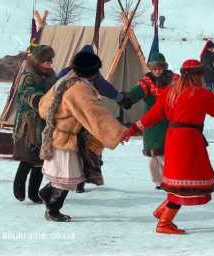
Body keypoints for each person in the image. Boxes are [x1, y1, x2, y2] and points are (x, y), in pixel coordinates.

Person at [122, 59, 214, 235]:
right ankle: (164, 223)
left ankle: (162, 211)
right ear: (198, 75)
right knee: (184, 184)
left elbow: (152, 115)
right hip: (189, 141)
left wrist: (132, 129)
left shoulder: (170, 92)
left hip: (173, 139)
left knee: (178, 180)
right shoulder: (201, 94)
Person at [37, 51, 127, 222]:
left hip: (58, 136)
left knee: (64, 174)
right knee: (66, 178)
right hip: (65, 139)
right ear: (92, 72)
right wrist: (118, 132)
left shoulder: (66, 80)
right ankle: (53, 210)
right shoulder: (79, 89)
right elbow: (96, 114)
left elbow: (43, 106)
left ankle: (46, 193)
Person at [58, 44, 132, 193]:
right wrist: (120, 98)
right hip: (77, 118)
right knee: (83, 148)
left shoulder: (70, 72)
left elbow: (104, 87)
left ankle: (77, 181)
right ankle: (76, 181)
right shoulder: (77, 76)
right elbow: (104, 88)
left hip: (69, 118)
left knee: (79, 149)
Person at [126, 53, 179, 189]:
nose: (157, 71)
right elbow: (137, 92)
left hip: (168, 120)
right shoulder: (147, 81)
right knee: (152, 155)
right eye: (154, 68)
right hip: (151, 121)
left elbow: (183, 92)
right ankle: (158, 181)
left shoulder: (174, 80)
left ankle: (170, 179)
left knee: (167, 154)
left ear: (164, 67)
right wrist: (127, 99)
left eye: (159, 68)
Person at [12, 45, 57, 203]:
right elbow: (24, 93)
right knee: (28, 157)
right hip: (29, 123)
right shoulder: (28, 76)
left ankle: (34, 193)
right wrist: (38, 100)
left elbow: (56, 91)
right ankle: (18, 187)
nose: (49, 64)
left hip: (45, 122)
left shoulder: (52, 76)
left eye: (50, 61)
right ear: (38, 61)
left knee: (40, 159)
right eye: (46, 61)